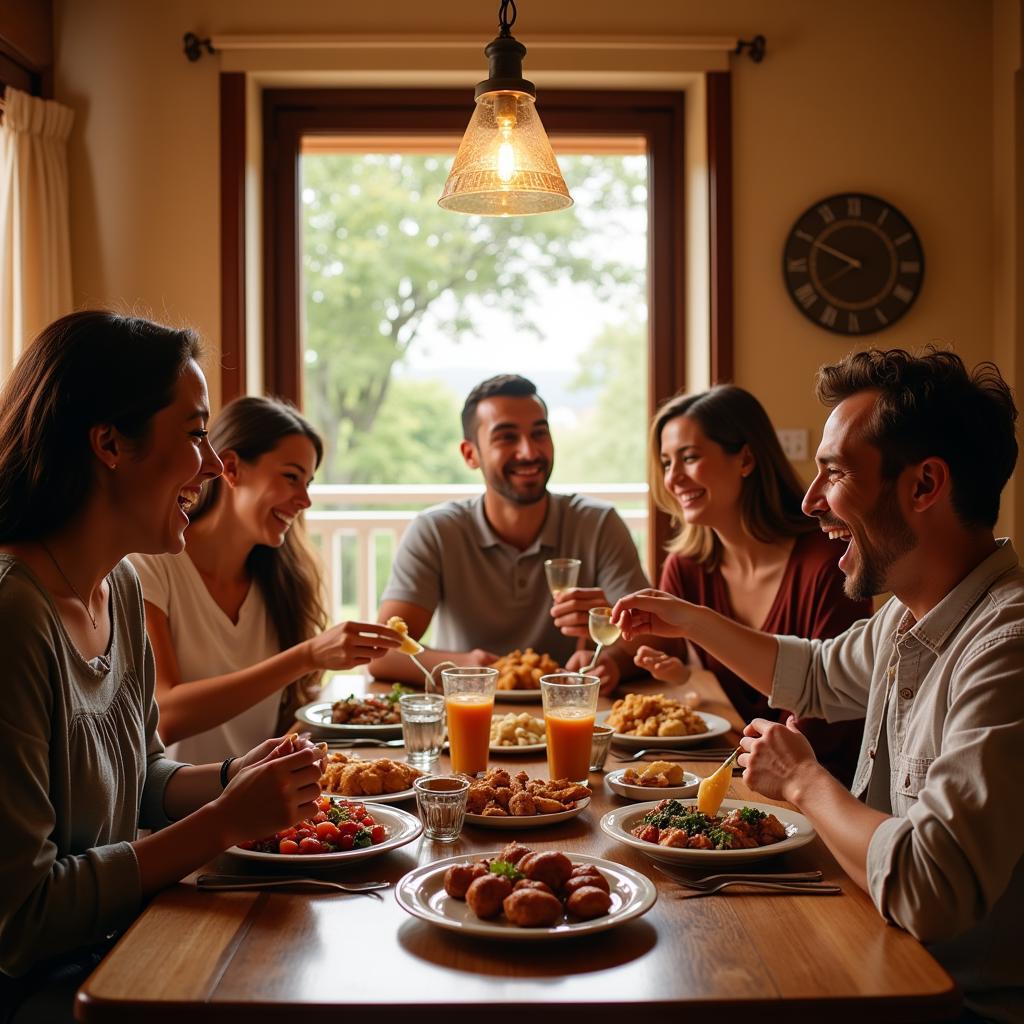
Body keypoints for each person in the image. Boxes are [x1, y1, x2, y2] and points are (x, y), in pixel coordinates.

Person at [614, 348, 1023, 1023]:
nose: (811, 500)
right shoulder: (907, 613)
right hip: (884, 953)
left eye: (835, 472)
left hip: (957, 1001)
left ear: (924, 486)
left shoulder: (1006, 650)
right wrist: (688, 617)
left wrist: (804, 784)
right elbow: (814, 674)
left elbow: (928, 889)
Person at [0, 312, 326, 1016]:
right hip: (46, 989)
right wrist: (223, 823)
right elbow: (21, 919)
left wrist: (237, 778)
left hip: (120, 939)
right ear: (111, 443)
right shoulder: (14, 617)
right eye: (195, 433)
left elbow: (143, 775)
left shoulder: (116, 585)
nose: (212, 465)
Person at [130, 396, 401, 763]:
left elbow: (292, 720)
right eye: (291, 476)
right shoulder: (151, 565)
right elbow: (165, 715)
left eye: (308, 483)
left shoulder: (285, 583)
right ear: (231, 468)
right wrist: (306, 656)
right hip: (178, 812)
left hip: (269, 807)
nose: (304, 500)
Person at [634, 385, 871, 785]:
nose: (673, 478)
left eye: (689, 458)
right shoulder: (686, 568)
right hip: (739, 771)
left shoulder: (831, 562)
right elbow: (677, 670)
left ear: (745, 458)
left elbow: (825, 726)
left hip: (820, 789)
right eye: (666, 462)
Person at [372, 373, 649, 694]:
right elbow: (383, 653)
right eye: (506, 437)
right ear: (470, 454)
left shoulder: (598, 523)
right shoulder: (436, 530)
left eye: (539, 434)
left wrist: (613, 660)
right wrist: (469, 666)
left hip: (570, 716)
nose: (529, 452)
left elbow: (665, 645)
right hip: (468, 717)